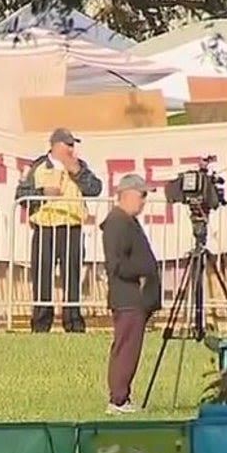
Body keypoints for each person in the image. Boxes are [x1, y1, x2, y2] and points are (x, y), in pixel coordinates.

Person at [15, 127, 104, 333]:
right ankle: (41, 323)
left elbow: (95, 188)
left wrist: (78, 173)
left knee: (72, 277)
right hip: (45, 228)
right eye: (68, 145)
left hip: (71, 227)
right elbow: (21, 196)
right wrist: (41, 194)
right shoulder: (38, 167)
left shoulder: (79, 167)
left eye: (74, 145)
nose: (72, 150)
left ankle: (73, 322)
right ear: (55, 145)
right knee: (42, 276)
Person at [100, 174, 161, 414]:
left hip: (136, 297)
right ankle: (118, 399)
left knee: (129, 348)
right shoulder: (117, 222)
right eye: (141, 195)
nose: (144, 201)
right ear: (126, 194)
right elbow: (115, 264)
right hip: (128, 297)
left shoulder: (126, 221)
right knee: (126, 348)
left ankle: (122, 396)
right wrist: (143, 274)